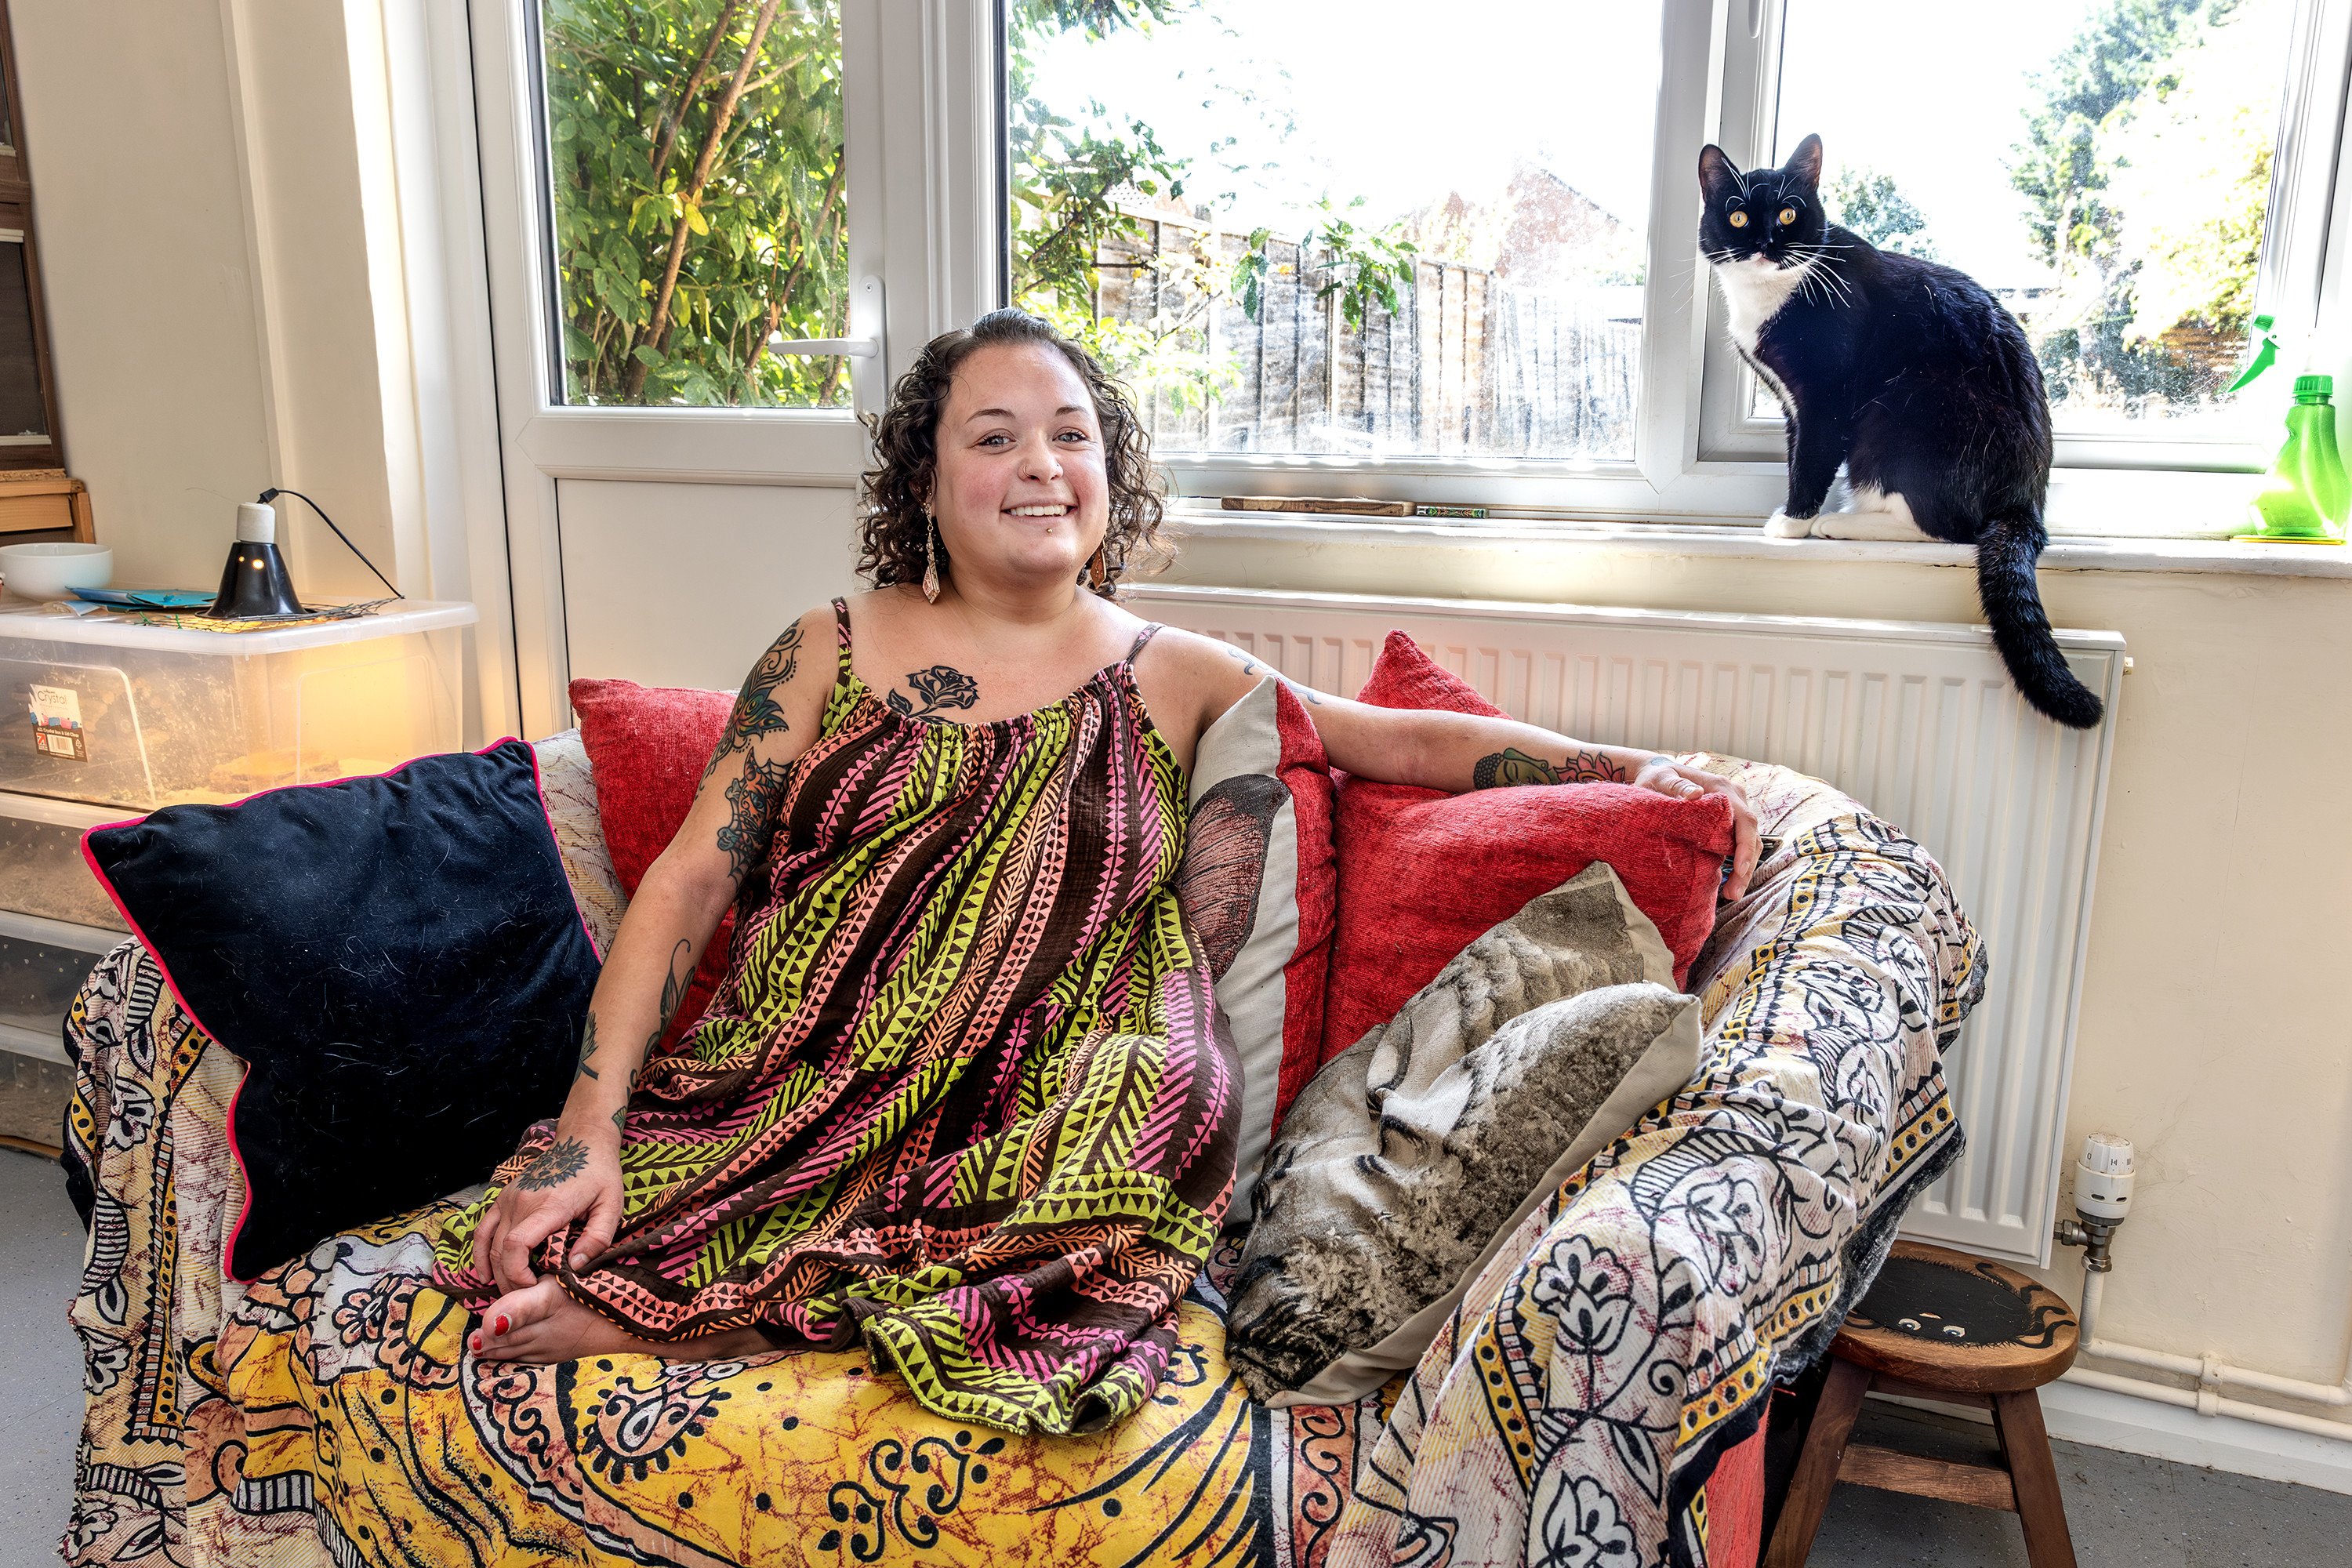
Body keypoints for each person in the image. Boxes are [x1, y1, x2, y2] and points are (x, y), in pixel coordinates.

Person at [431, 308, 1759, 1434]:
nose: (1041, 464)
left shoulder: (1172, 669)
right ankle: (720, 1279)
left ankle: (725, 1322)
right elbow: (684, 885)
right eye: (994, 436)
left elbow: (1394, 734)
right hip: (812, 1059)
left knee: (1168, 1096)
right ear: (925, 483)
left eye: (1070, 433)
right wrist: (585, 1129)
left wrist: (1628, 769)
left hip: (1049, 1077)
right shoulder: (825, 649)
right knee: (560, 1220)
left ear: (1108, 466)